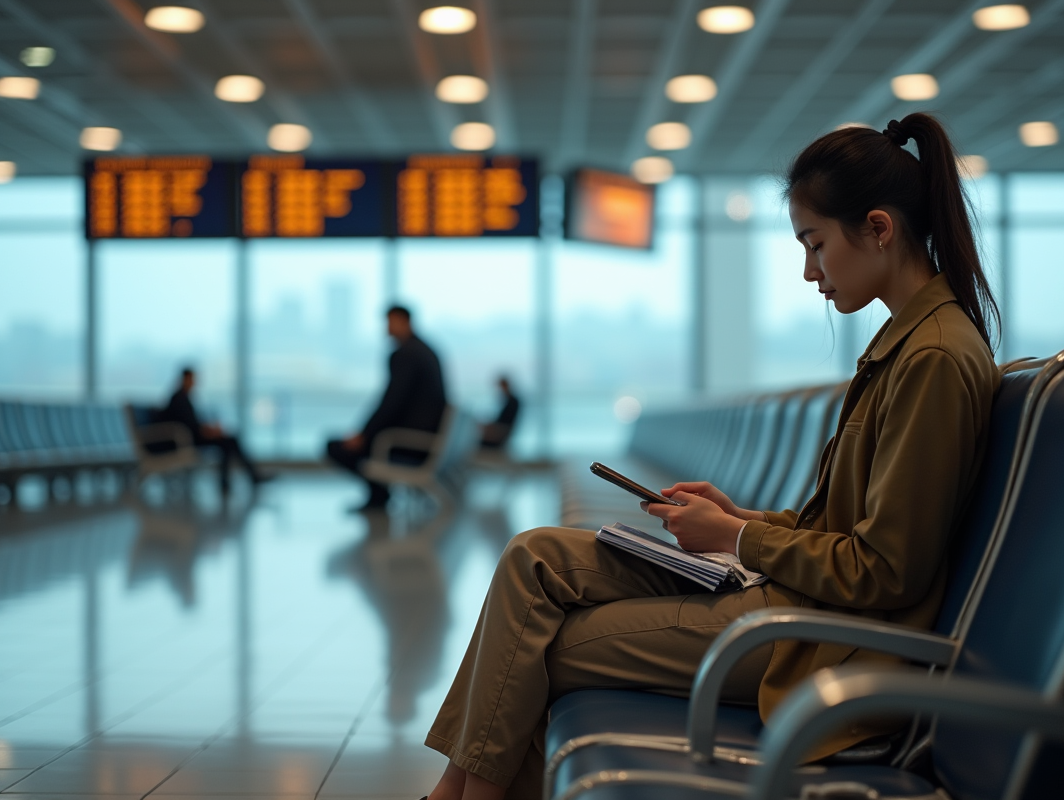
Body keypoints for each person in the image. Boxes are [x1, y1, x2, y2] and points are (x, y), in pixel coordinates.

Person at [423, 112, 1002, 800]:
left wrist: (736, 538)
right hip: (796, 599)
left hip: (821, 641)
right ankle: (449, 794)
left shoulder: (933, 358)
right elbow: (845, 528)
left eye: (815, 244)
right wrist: (740, 517)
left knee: (543, 642)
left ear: (878, 228)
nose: (810, 271)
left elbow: (885, 572)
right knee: (534, 557)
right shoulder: (907, 346)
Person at [325, 306, 447, 511]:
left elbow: (391, 402)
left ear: (405, 321)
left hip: (408, 440)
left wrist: (364, 434)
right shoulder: (425, 351)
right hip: (425, 436)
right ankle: (379, 493)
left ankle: (379, 494)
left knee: (335, 447)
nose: (387, 328)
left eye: (391, 322)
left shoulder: (406, 354)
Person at [161, 367, 270, 495]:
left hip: (189, 437)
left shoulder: (184, 397)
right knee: (228, 441)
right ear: (185, 379)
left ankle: (236, 480)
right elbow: (189, 426)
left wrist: (209, 429)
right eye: (192, 379)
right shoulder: (179, 399)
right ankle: (240, 479)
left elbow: (191, 424)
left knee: (229, 440)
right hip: (184, 440)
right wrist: (208, 431)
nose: (194, 382)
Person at [479, 375, 520, 449]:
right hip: (502, 431)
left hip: (502, 434)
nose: (500, 390)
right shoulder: (510, 402)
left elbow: (505, 423)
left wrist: (491, 427)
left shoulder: (512, 402)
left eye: (501, 387)